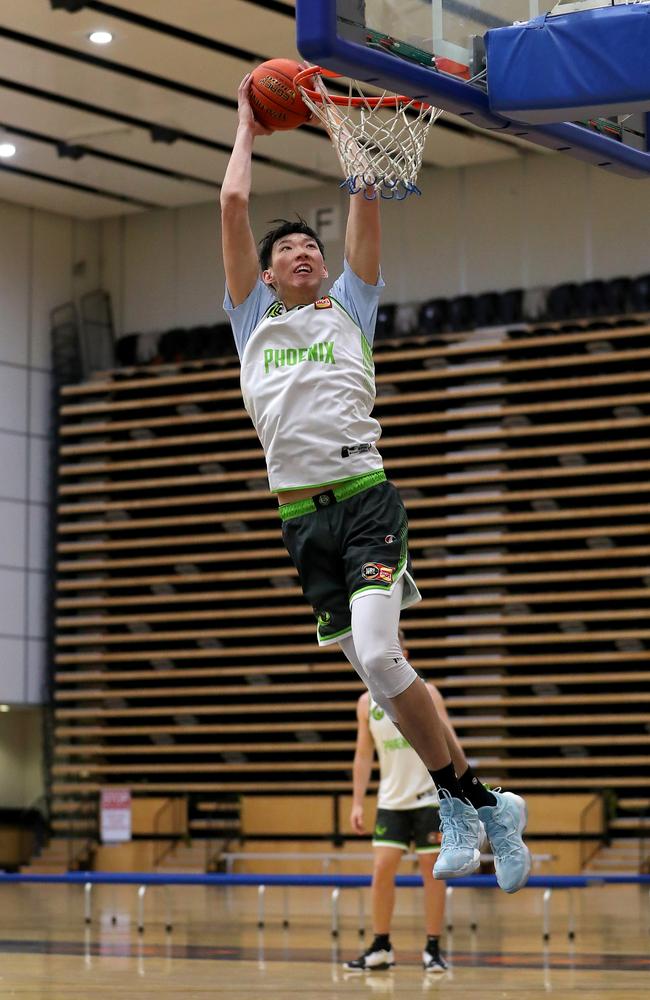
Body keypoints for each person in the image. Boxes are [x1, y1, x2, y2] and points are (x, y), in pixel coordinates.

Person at [220, 71, 531, 895]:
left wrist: (341, 124)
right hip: (301, 521)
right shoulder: (253, 320)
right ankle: (484, 799)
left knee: (385, 658)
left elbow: (362, 201)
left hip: (364, 502)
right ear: (266, 272)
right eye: (288, 248)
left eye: (310, 247)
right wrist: (246, 126)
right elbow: (231, 208)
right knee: (379, 680)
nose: (302, 251)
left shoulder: (350, 308)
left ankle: (461, 803)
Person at [344, 631, 451, 973]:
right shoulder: (366, 703)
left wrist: (456, 793)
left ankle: (432, 948)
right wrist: (357, 803)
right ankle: (381, 946)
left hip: (428, 799)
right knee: (381, 870)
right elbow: (363, 756)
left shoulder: (427, 692)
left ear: (403, 652)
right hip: (391, 800)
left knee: (433, 874)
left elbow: (449, 741)